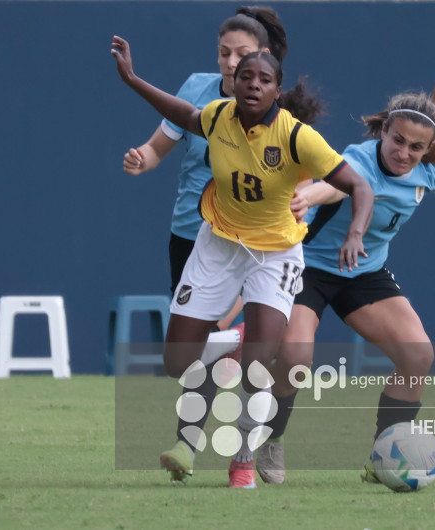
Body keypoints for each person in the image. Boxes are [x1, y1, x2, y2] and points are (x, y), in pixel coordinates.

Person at [111, 37, 374, 488]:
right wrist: (133, 79)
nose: (252, 84)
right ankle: (226, 342)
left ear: (277, 90)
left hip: (274, 254)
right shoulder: (218, 117)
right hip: (218, 244)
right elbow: (184, 115)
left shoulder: (296, 136)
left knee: (260, 362)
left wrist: (355, 233)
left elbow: (360, 186)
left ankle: (243, 459)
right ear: (232, 84)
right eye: (244, 76)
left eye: (263, 79)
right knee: (177, 361)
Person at [254, 68, 435, 484]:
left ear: (428, 150)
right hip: (307, 267)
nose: (404, 152)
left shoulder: (427, 172)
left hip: (362, 273)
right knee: (297, 357)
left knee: (418, 355)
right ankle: (270, 439)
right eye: (398, 141)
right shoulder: (357, 160)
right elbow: (333, 188)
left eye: (416, 147)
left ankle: (382, 458)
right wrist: (305, 196)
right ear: (384, 130)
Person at [117, 6, 292, 485]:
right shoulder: (196, 90)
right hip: (191, 237)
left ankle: (219, 454)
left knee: (232, 355)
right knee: (192, 359)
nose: (231, 62)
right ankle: (196, 441)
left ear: (263, 59)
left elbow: (306, 191)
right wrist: (142, 159)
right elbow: (158, 147)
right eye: (223, 53)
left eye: (242, 54)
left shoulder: (277, 114)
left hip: (251, 247)